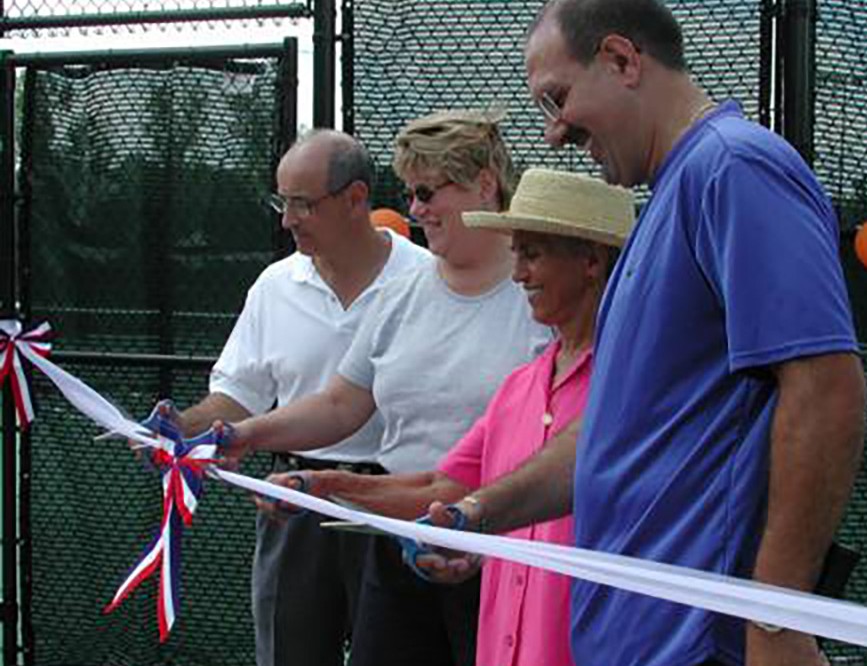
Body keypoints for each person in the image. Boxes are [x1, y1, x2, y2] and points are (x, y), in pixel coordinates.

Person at [422, 2, 867, 666]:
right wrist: (479, 515)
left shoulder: (735, 167)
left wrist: (776, 618)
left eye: (557, 98)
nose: (553, 132)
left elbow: (825, 388)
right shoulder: (670, 196)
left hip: (698, 644)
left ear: (622, 60)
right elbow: (616, 434)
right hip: (631, 641)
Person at [260, 168, 635, 666]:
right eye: (516, 254)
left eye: (533, 254)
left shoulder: (638, 390)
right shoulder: (519, 389)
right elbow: (442, 487)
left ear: (591, 261)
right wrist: (320, 486)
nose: (518, 274)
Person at [221, 110, 552, 666]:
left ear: (485, 185)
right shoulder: (400, 293)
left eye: (426, 192)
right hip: (399, 545)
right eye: (409, 193)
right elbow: (340, 404)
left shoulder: (539, 294)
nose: (415, 210)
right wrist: (245, 433)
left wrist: (483, 523)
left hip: (505, 548)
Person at [159, 130, 432, 666]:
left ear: (356, 198)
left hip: (397, 507)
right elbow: (238, 397)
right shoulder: (274, 286)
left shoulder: (427, 279)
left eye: (303, 204)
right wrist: (182, 428)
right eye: (281, 202)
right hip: (293, 506)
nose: (287, 220)